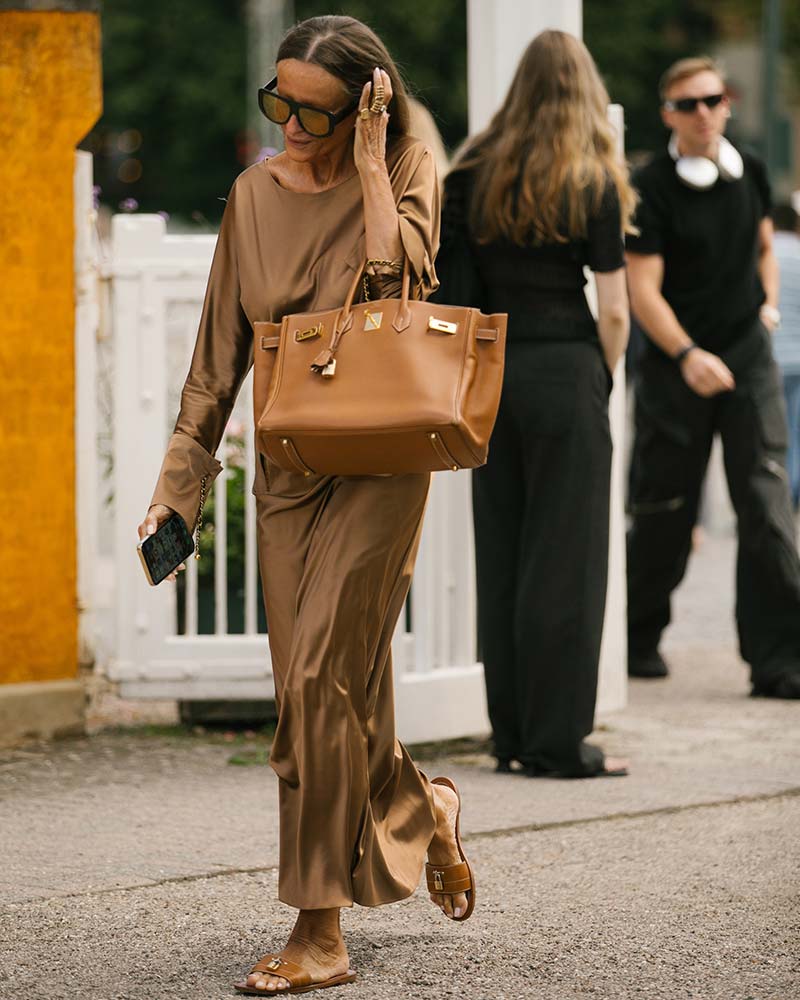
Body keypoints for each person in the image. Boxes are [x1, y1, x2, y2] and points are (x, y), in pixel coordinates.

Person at [137, 16, 475, 996]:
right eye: (275, 101)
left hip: (379, 465)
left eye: (311, 110)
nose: (287, 123)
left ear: (365, 104)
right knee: (311, 696)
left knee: (325, 676)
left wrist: (370, 164)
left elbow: (398, 279)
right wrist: (178, 484)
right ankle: (425, 807)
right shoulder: (251, 197)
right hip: (288, 472)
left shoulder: (407, 166)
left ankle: (317, 924)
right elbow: (214, 362)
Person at [433, 30, 634, 779]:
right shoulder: (592, 179)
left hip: (491, 380)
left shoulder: (470, 174)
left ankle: (511, 734)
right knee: (568, 560)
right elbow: (613, 309)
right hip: (566, 369)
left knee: (506, 553)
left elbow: (454, 297)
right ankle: (559, 743)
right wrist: (602, 376)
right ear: (581, 93)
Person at [625, 56, 800, 699]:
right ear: (669, 113)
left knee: (766, 502)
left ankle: (780, 659)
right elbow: (643, 290)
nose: (704, 112)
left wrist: (768, 306)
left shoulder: (749, 168)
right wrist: (687, 354)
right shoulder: (651, 185)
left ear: (727, 102)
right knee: (666, 510)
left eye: (714, 99)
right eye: (688, 103)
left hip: (747, 358)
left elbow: (761, 246)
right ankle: (636, 636)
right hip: (679, 368)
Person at [772, 201, 800, 508]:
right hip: (799, 359)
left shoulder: (766, 255)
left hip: (772, 357)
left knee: (772, 430)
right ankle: (791, 492)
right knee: (795, 428)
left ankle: (778, 492)